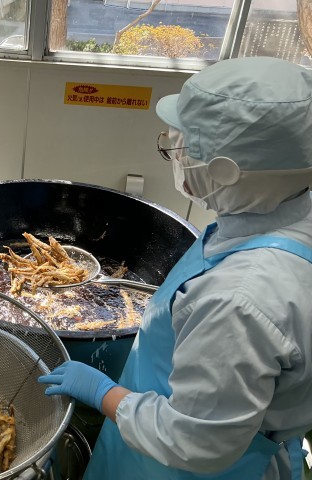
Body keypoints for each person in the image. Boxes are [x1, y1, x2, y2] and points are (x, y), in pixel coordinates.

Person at [38, 56, 312, 479]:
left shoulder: (239, 302)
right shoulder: (283, 209)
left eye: (181, 148)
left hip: (183, 464)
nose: (174, 156)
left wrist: (103, 392)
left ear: (226, 171)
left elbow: (194, 442)